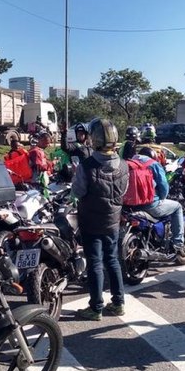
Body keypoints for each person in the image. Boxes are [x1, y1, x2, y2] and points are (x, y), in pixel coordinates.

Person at [73, 118, 129, 321]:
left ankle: (96, 308)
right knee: (112, 260)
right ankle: (118, 303)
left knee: (95, 263)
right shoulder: (124, 165)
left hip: (91, 222)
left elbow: (78, 192)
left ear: (94, 139)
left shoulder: (86, 166)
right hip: (113, 221)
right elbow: (124, 191)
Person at [134, 147, 185, 255]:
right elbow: (163, 187)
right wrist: (162, 197)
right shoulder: (153, 164)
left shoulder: (128, 163)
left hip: (129, 205)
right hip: (150, 205)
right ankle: (178, 243)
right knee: (177, 207)